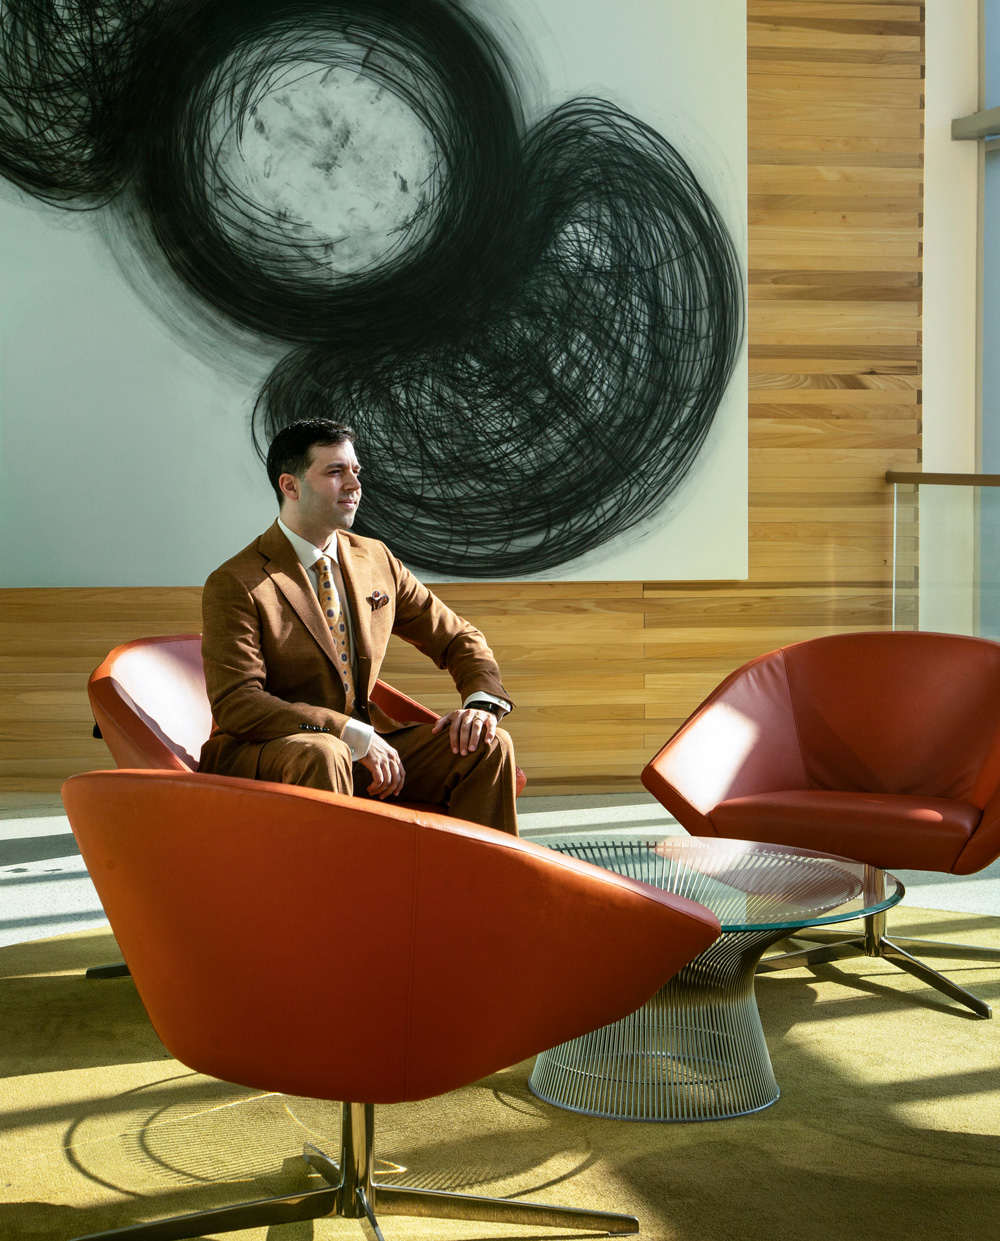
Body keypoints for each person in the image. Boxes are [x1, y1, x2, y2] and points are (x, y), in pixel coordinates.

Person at [198, 419, 518, 834]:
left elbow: (457, 636)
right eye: (335, 472)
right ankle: (336, 896)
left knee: (487, 745)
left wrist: (481, 705)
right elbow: (238, 704)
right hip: (275, 750)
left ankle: (487, 893)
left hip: (365, 746)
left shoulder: (376, 559)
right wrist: (347, 732)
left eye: (355, 471)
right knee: (325, 752)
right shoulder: (236, 581)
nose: (354, 484)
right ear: (290, 486)